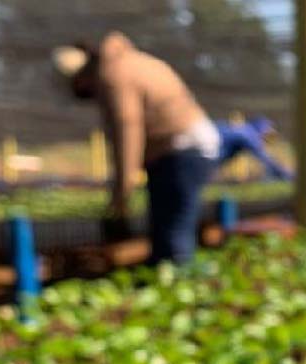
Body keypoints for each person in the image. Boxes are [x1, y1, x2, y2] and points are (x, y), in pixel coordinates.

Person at [53, 33, 220, 265]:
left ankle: (180, 281)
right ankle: (169, 276)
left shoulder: (113, 76)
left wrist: (121, 195)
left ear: (81, 77)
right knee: (164, 229)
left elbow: (128, 131)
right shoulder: (126, 62)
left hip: (183, 150)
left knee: (173, 236)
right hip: (181, 147)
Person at [215, 116, 293, 181]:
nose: (265, 140)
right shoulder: (249, 134)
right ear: (262, 130)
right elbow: (265, 159)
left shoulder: (241, 129)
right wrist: (288, 175)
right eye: (267, 135)